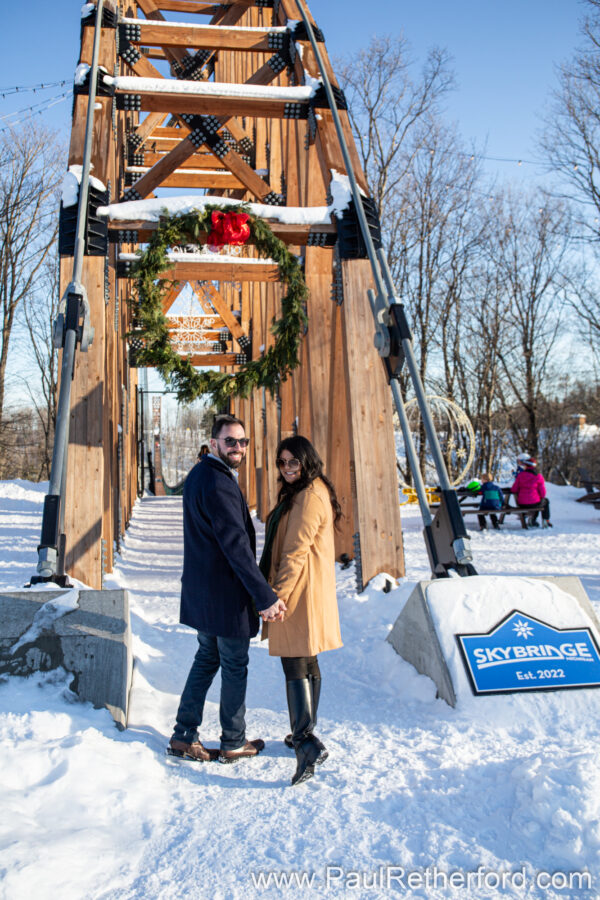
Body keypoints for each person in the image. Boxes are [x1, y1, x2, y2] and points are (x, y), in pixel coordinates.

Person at [168, 414, 286, 764]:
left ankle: (183, 734)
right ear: (214, 442)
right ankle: (233, 741)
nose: (238, 447)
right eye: (230, 441)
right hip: (224, 596)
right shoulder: (218, 482)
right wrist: (264, 596)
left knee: (207, 658)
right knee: (234, 664)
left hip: (205, 594)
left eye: (243, 441)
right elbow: (236, 547)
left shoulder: (202, 474)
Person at [260, 435, 343, 786]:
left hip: (298, 592)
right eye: (282, 463)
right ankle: (303, 734)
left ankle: (306, 741)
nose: (287, 468)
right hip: (308, 589)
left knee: (295, 662)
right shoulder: (310, 490)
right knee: (306, 660)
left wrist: (275, 597)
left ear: (308, 460)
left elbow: (295, 551)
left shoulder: (309, 497)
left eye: (293, 462)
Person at [511, 456, 552, 528]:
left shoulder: (520, 476)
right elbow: (543, 494)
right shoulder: (538, 476)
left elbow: (514, 489)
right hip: (534, 503)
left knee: (536, 502)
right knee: (544, 501)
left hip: (522, 504)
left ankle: (532, 520)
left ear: (526, 466)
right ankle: (545, 520)